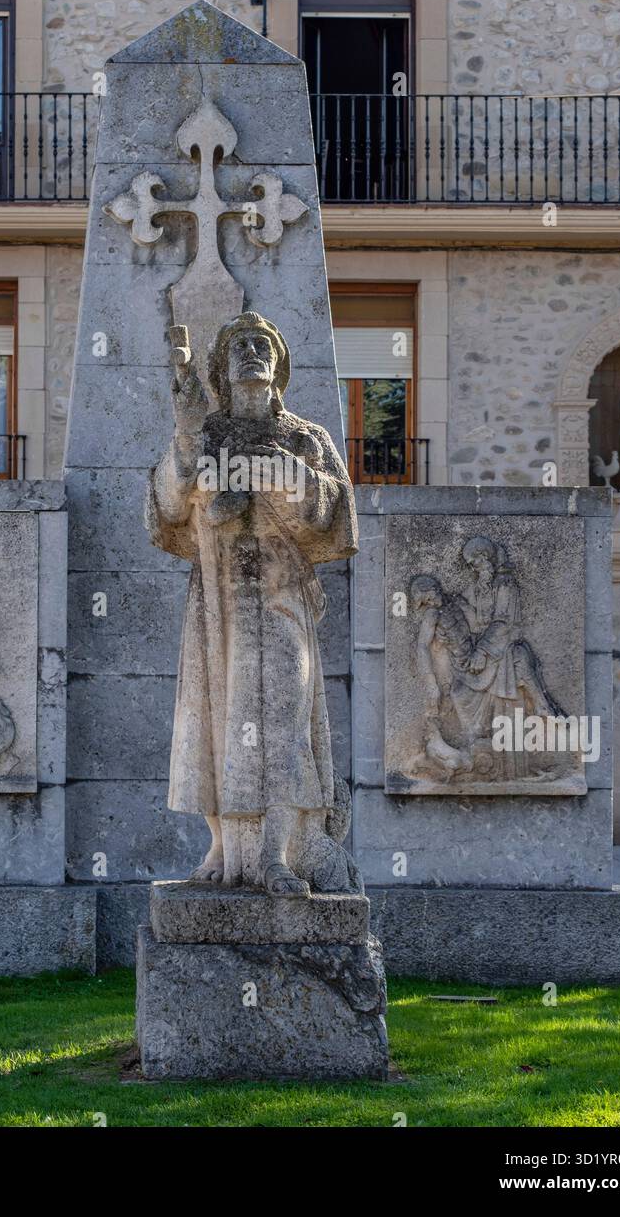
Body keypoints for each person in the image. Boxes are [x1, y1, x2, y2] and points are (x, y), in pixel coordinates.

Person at [146, 311, 359, 896]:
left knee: (285, 721)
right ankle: (222, 850)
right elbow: (166, 505)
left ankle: (275, 855)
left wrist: (274, 474)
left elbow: (337, 513)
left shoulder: (304, 437)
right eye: (240, 344)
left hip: (282, 594)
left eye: (263, 345)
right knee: (213, 721)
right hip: (216, 600)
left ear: (280, 366)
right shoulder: (207, 432)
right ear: (220, 366)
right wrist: (187, 437)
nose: (252, 352)